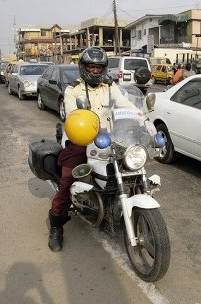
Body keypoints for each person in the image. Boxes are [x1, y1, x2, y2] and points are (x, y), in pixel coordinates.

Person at [48, 46, 135, 252]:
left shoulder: (109, 87)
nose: (95, 71)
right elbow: (73, 115)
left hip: (108, 139)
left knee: (130, 169)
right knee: (67, 182)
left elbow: (124, 104)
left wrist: (141, 117)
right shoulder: (73, 90)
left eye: (99, 67)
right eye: (91, 66)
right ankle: (56, 227)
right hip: (81, 140)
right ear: (83, 67)